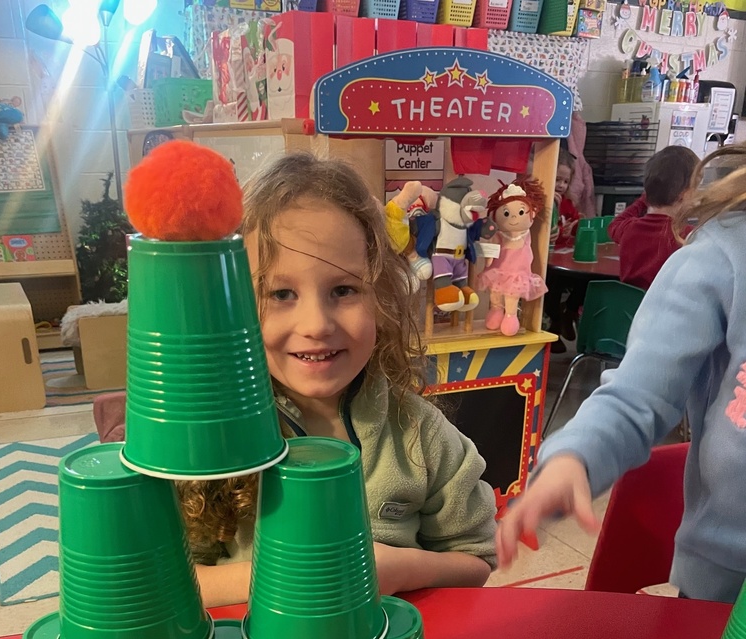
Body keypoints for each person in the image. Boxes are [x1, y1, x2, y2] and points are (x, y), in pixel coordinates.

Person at [179, 153, 497, 608]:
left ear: (382, 297)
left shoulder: (421, 436)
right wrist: (295, 577)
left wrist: (400, 568)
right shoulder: (212, 439)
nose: (316, 323)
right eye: (281, 293)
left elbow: (476, 561)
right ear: (234, 309)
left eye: (343, 290)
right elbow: (175, 579)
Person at [496, 143, 746, 603]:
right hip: (726, 582)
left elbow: (618, 223)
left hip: (610, 318)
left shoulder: (636, 227)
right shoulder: (712, 249)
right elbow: (636, 396)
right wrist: (577, 455)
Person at [608, 145, 698, 291]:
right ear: (685, 193)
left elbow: (614, 225)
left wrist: (644, 199)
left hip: (629, 311)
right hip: (664, 312)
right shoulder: (688, 236)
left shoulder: (630, 228)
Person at [545, 148, 584, 351]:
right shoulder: (543, 201)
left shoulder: (568, 203)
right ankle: (556, 324)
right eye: (558, 179)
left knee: (585, 279)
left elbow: (576, 222)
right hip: (547, 262)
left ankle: (569, 311)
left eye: (565, 181)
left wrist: (575, 227)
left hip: (565, 258)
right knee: (553, 282)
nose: (561, 185)